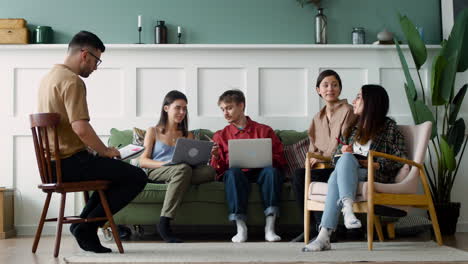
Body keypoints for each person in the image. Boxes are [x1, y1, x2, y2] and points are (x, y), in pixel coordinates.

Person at [37, 31, 147, 253]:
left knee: (112, 174)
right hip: (69, 163)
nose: (96, 67)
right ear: (85, 55)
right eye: (97, 60)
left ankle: (82, 225)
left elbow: (67, 129)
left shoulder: (49, 78)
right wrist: (105, 151)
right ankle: (86, 228)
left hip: (52, 164)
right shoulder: (72, 81)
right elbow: (80, 127)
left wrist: (91, 150)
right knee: (136, 177)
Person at [303, 84, 407, 252]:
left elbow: (401, 158)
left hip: (373, 173)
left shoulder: (389, 128)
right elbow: (336, 156)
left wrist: (374, 163)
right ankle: (347, 210)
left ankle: (325, 234)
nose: (354, 101)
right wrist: (343, 152)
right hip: (350, 170)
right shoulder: (354, 129)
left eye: (358, 97)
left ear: (371, 102)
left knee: (335, 177)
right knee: (343, 161)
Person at [139, 90, 216, 243]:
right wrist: (167, 164)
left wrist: (210, 154)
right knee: (182, 169)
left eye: (184, 108)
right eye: (178, 108)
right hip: (157, 170)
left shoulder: (188, 135)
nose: (182, 112)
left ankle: (176, 181)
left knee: (209, 171)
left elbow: (195, 163)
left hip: (183, 171)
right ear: (166, 108)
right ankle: (164, 221)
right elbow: (143, 161)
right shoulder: (153, 131)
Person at [210, 89, 287, 243]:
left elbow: (281, 160)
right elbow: (218, 170)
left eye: (229, 108)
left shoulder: (265, 130)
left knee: (271, 172)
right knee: (232, 173)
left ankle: (270, 227)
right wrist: (216, 156)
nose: (225, 113)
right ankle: (241, 227)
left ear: (241, 106)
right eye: (223, 109)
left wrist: (264, 155)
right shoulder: (220, 135)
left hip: (262, 171)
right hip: (237, 173)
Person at [291, 69, 357, 242]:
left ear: (340, 89)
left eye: (335, 85)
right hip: (323, 166)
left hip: (340, 166)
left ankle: (325, 229)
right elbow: (313, 150)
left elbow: (345, 143)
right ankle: (312, 227)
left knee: (307, 176)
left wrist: (323, 157)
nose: (330, 89)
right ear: (318, 90)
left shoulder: (349, 111)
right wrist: (313, 158)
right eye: (325, 85)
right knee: (299, 175)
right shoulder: (316, 118)